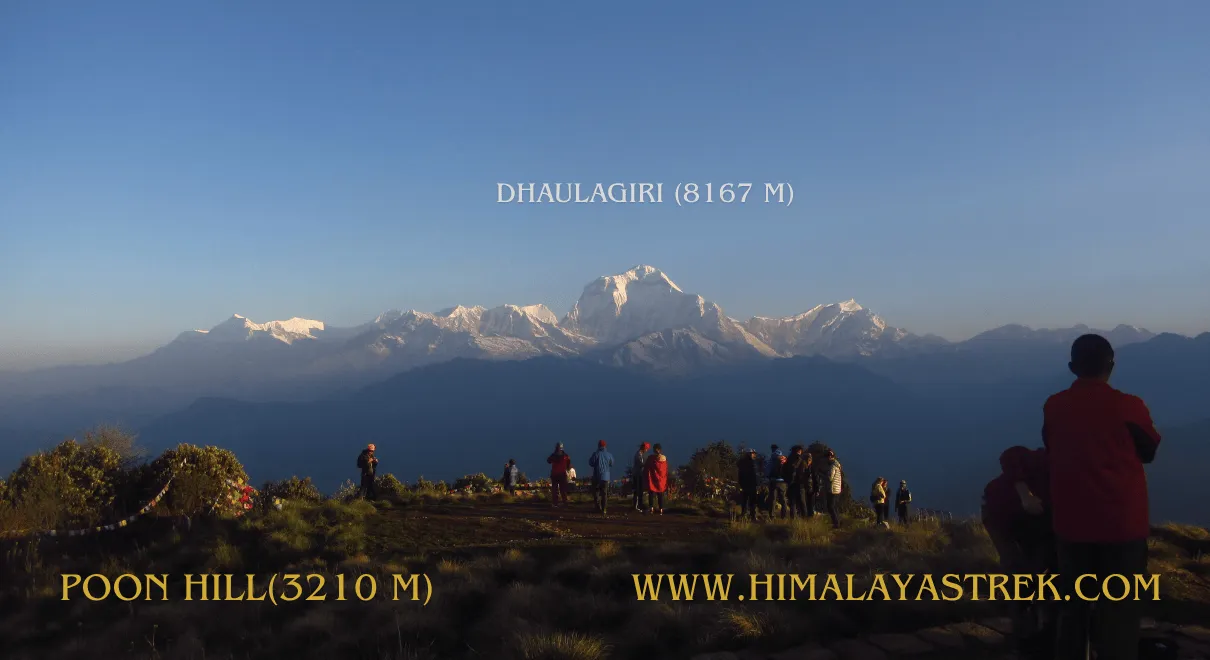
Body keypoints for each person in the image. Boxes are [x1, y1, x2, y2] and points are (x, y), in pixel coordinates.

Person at [1043, 334, 1161, 660]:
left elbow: (1052, 445)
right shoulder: (1129, 406)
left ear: (1071, 368)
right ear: (1111, 365)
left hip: (1071, 524)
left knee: (1073, 608)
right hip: (1122, 526)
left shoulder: (1054, 406)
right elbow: (1149, 449)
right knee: (1120, 612)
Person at [982, 445, 1055, 657]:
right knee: (1016, 570)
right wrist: (1026, 495)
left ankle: (1039, 631)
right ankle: (1021, 637)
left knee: (1039, 571)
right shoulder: (1047, 459)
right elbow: (1010, 455)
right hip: (999, 515)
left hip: (1036, 526)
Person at [588, 440, 614, 515]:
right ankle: (604, 509)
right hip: (605, 476)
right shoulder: (609, 455)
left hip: (597, 476)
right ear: (605, 446)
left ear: (598, 446)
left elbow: (591, 463)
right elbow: (611, 463)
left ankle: (597, 507)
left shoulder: (596, 454)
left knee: (596, 492)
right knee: (604, 493)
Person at [785, 446, 810, 518]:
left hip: (791, 484)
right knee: (802, 502)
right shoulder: (802, 461)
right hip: (800, 484)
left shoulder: (788, 460)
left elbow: (784, 471)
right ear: (799, 451)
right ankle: (805, 519)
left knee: (793, 502)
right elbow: (806, 473)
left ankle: (793, 519)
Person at [736, 448, 761, 521]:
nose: (754, 454)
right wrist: (758, 484)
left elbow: (740, 474)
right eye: (753, 453)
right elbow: (755, 475)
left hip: (745, 484)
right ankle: (753, 516)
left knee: (745, 501)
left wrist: (741, 483)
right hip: (752, 485)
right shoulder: (753, 463)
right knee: (752, 501)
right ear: (750, 454)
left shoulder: (742, 462)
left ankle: (744, 515)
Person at [644, 443, 669, 515]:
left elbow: (646, 467)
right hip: (661, 480)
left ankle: (651, 508)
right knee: (660, 494)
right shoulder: (664, 458)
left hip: (653, 479)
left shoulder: (651, 458)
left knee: (651, 493)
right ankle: (661, 509)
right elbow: (665, 470)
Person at [547, 442, 572, 507]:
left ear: (556, 447)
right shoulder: (566, 456)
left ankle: (555, 503)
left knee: (555, 490)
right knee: (563, 489)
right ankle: (565, 503)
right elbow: (569, 464)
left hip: (554, 474)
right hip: (562, 474)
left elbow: (548, 461)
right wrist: (567, 469)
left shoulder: (553, 455)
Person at [824, 450, 843, 528]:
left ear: (830, 457)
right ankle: (838, 522)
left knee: (830, 506)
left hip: (832, 489)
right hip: (837, 489)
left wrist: (824, 475)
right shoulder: (837, 466)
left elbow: (830, 478)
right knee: (834, 506)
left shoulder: (832, 466)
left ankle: (836, 523)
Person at [632, 442, 650, 512]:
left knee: (640, 490)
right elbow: (641, 464)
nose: (647, 450)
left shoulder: (640, 454)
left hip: (639, 474)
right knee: (637, 490)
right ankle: (636, 506)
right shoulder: (638, 454)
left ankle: (639, 504)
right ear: (644, 448)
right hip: (637, 474)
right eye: (647, 449)